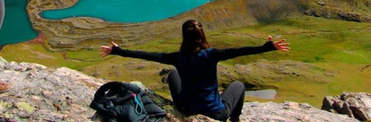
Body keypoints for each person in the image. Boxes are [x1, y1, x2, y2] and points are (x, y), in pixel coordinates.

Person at [100, 19, 290, 122]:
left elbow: (147, 55)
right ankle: (235, 119)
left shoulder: (177, 57)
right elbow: (239, 51)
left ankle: (189, 107)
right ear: (202, 36)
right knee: (238, 85)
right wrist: (267, 47)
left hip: (187, 108)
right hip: (216, 114)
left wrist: (118, 51)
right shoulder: (211, 54)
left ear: (184, 37)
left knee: (173, 74)